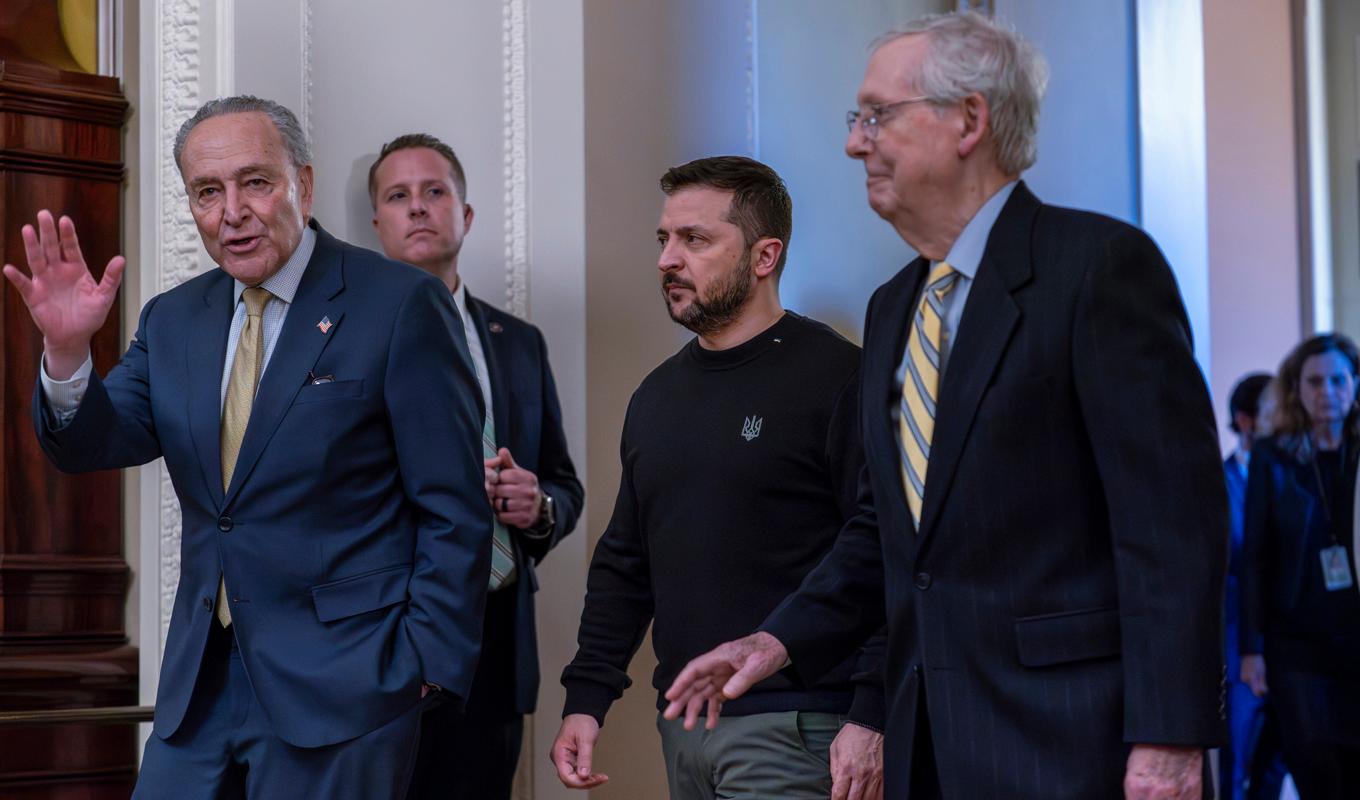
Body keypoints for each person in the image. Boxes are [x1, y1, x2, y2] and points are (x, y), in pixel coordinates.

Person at [663, 13, 1227, 800]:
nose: (856, 142)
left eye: (877, 116)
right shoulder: (894, 306)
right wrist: (776, 639)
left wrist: (1170, 740)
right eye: (854, 120)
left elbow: (1172, 529)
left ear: (969, 119)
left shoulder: (1097, 269)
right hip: (926, 740)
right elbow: (888, 534)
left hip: (1073, 742)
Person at [2, 96, 491, 799]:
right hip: (200, 689)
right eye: (208, 191)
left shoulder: (400, 303)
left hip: (349, 689)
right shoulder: (174, 318)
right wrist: (68, 351)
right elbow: (93, 443)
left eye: (255, 182)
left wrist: (425, 668)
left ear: (305, 184)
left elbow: (454, 507)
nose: (232, 210)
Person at [550, 156, 886, 800]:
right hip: (684, 733)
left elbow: (884, 552)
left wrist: (871, 711)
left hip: (800, 725)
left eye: (695, 239)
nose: (666, 260)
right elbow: (626, 562)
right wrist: (586, 700)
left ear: (764, 257)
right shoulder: (657, 395)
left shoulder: (839, 378)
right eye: (663, 239)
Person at [368, 132, 584, 800]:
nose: (419, 208)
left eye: (435, 192)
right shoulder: (346, 339)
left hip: (495, 642)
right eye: (398, 197)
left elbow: (564, 482)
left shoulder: (518, 342)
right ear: (377, 224)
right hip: (384, 640)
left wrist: (539, 505)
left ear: (465, 215)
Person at [1240, 334, 1360, 799]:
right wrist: (1252, 650)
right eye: (1314, 382)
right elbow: (1256, 555)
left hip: (1356, 638)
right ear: (1297, 390)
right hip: (1297, 642)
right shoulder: (1274, 457)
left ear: (1354, 384)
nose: (1327, 392)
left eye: (1337, 380)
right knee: (1314, 766)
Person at [1221, 373, 1288, 800]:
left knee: (1276, 765)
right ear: (1246, 421)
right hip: (1238, 649)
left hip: (1291, 649)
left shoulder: (1293, 478)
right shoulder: (1217, 485)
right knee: (1238, 763)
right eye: (1273, 412)